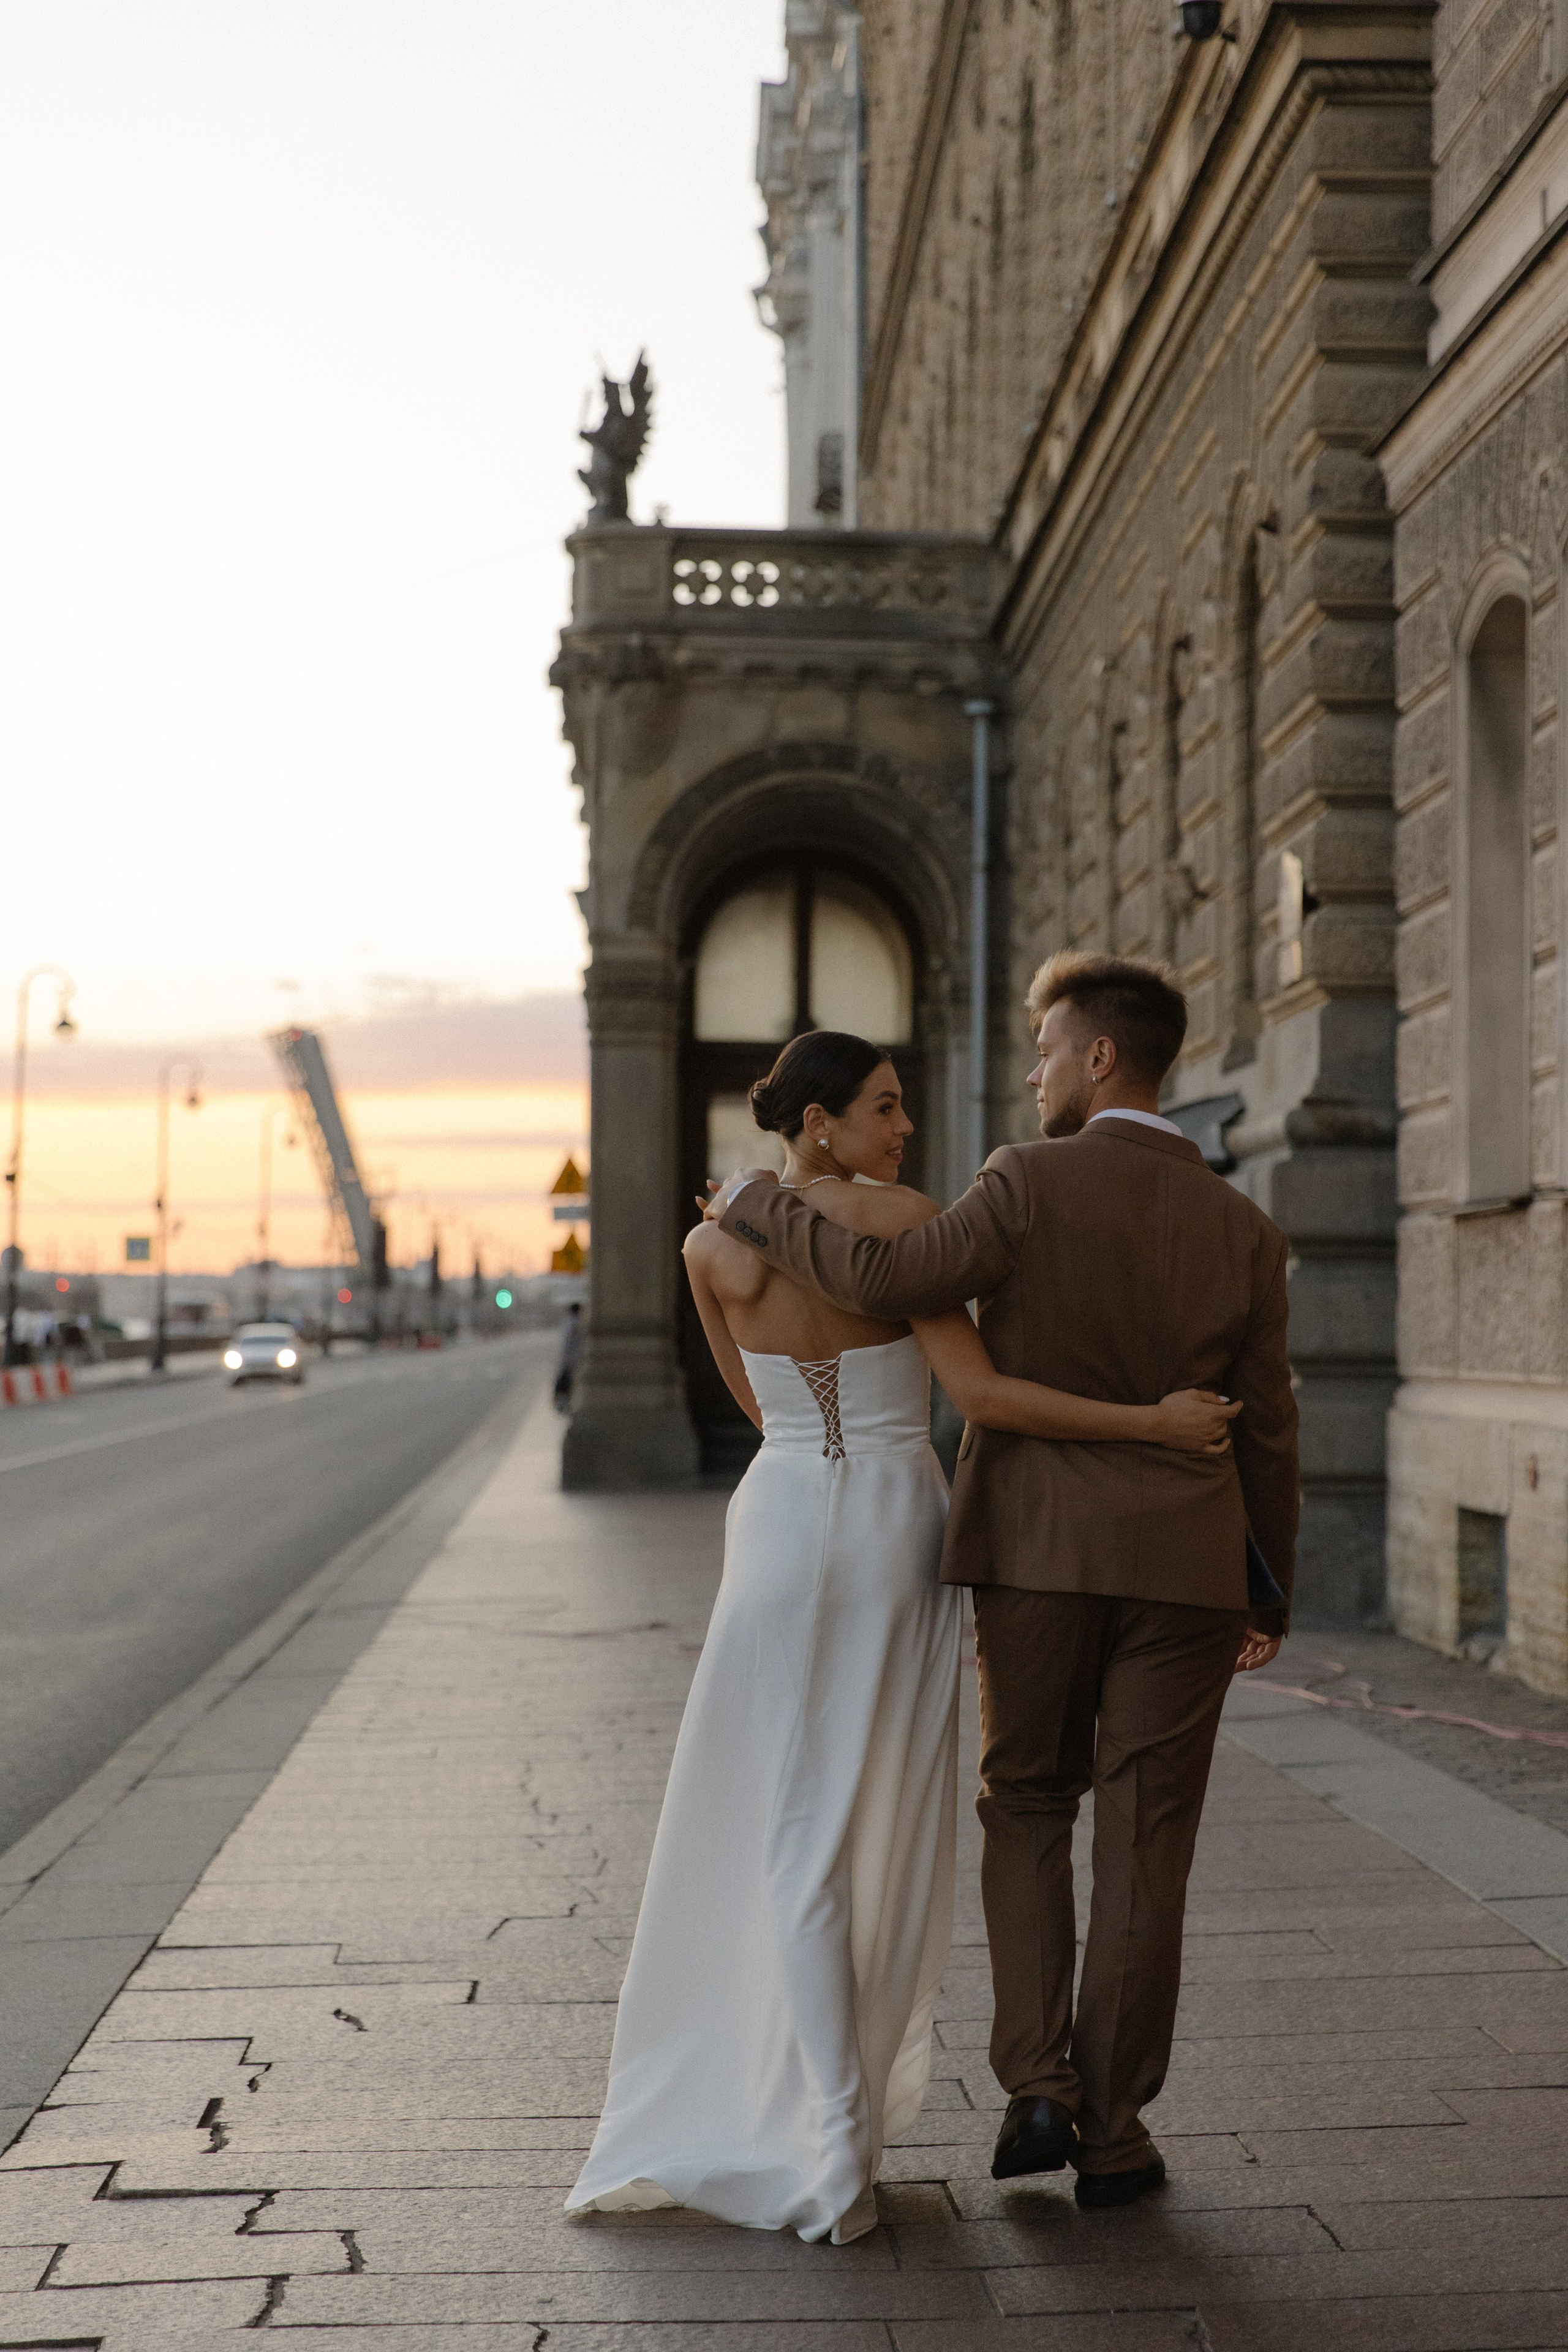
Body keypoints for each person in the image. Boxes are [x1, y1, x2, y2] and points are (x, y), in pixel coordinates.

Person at [566, 1027, 1241, 2247]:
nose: (903, 1126)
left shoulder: (708, 1246)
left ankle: (820, 2127)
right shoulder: (903, 1223)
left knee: (789, 1823)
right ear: (819, 1122)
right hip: (894, 1530)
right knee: (874, 1811)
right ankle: (839, 2132)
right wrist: (1152, 1423)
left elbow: (758, 1409)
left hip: (778, 1523)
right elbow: (978, 1398)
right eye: (882, 1107)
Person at [706, 954, 1299, 2212]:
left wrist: (759, 1205)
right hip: (1189, 1570)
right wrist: (1268, 1592)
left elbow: (883, 1281)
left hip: (1034, 1552)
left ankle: (1037, 2083)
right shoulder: (1246, 1231)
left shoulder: (1022, 1180)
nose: (1033, 1071)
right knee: (1146, 1839)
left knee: (1026, 1803)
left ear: (1099, 1057)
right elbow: (1269, 1428)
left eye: (1045, 1047)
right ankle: (1115, 2132)